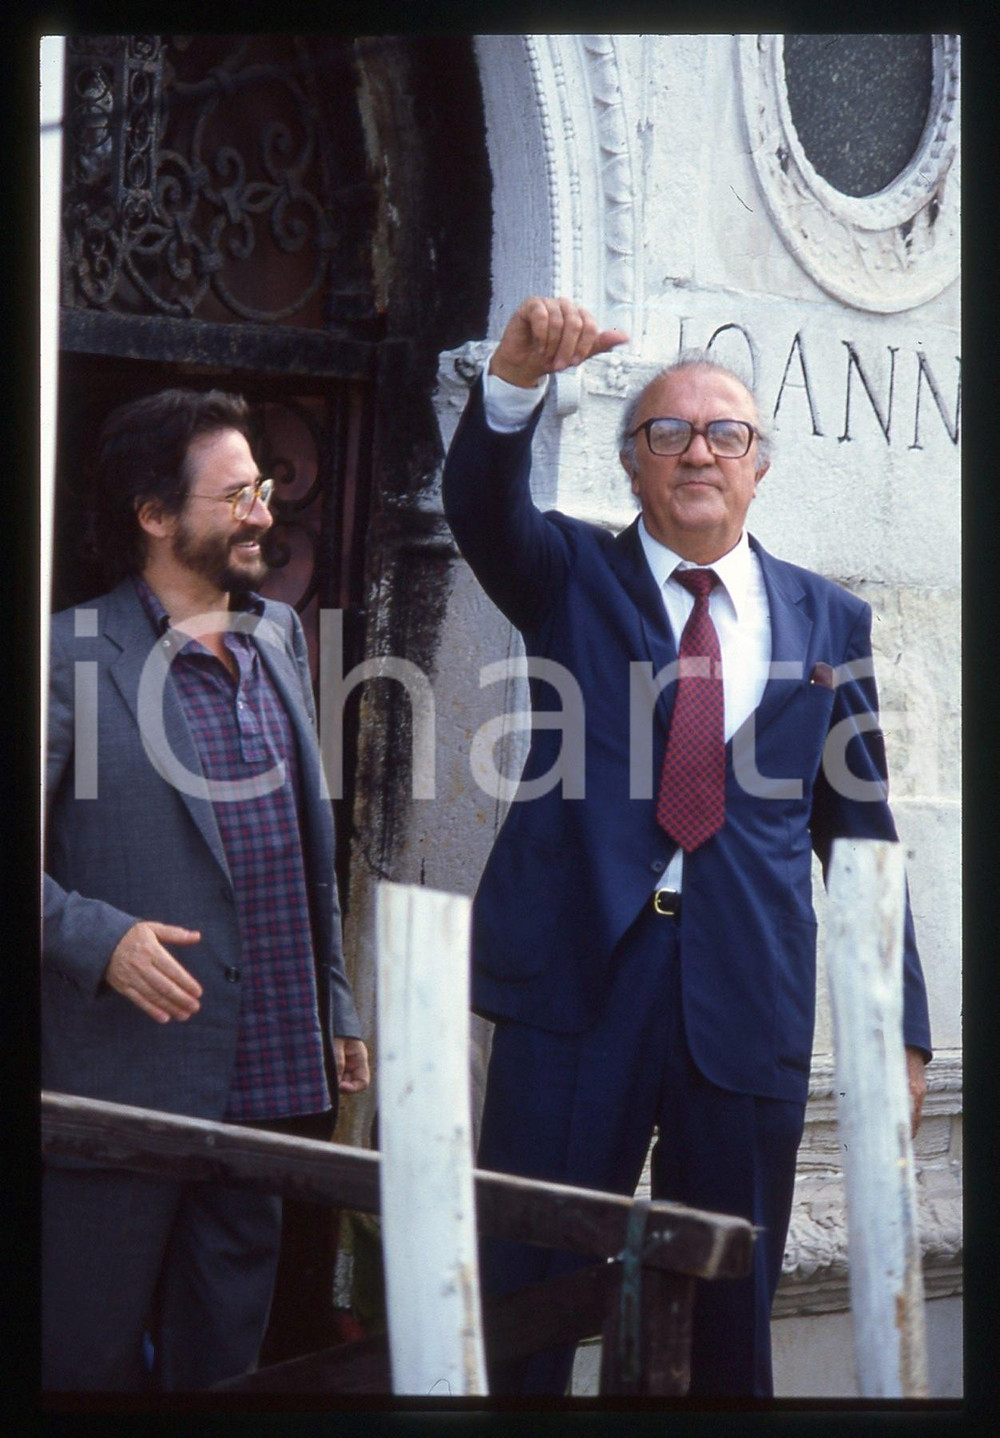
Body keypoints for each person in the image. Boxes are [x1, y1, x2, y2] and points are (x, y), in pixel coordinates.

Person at [441, 297, 932, 1397]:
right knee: (525, 1295)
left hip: (745, 994)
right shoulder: (567, 576)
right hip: (576, 987)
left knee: (725, 1308)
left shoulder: (829, 622)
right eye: (669, 432)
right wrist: (512, 385)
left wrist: (896, 1021)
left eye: (727, 434)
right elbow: (476, 502)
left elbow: (858, 823)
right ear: (631, 465)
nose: (699, 449)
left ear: (761, 466)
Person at [42, 388, 369, 1392]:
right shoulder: (63, 654)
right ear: (154, 515)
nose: (263, 512)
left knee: (223, 1367)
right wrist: (95, 938)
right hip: (122, 1080)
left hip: (271, 1073)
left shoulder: (278, 638)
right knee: (81, 1360)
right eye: (235, 495)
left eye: (264, 489)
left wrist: (335, 998)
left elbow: (301, 846)